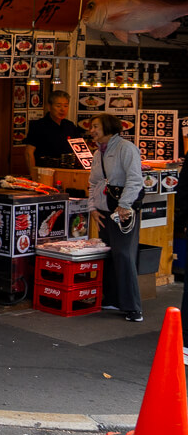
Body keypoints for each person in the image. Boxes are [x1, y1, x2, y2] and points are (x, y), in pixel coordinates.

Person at [89, 113, 144, 323]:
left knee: (123, 254)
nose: (92, 130)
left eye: (96, 126)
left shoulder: (126, 148)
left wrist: (124, 205)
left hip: (123, 211)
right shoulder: (98, 153)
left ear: (108, 127)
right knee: (109, 254)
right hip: (103, 210)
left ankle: (133, 307)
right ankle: (112, 298)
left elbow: (135, 179)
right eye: (92, 126)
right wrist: (93, 208)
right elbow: (93, 183)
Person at [25, 91, 84, 182]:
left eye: (65, 106)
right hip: (45, 173)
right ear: (49, 106)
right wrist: (33, 174)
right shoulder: (38, 125)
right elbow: (29, 153)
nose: (62, 109)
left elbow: (81, 151)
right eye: (58, 106)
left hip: (68, 173)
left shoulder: (70, 126)